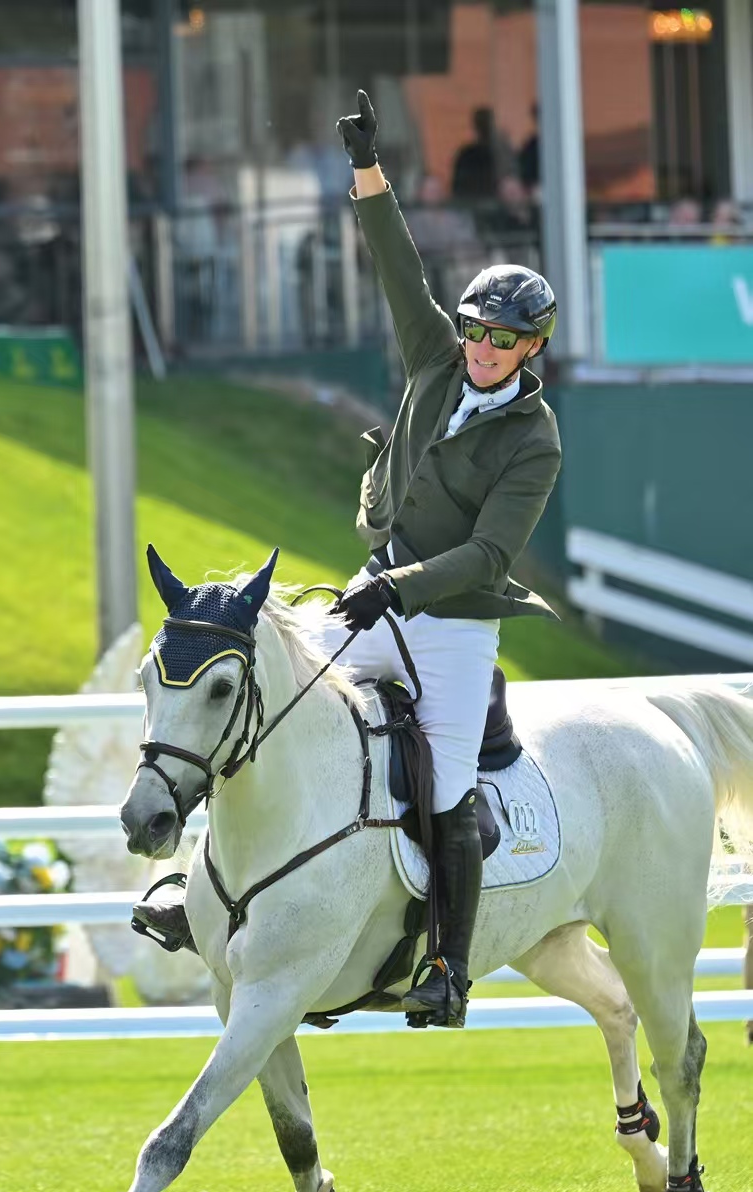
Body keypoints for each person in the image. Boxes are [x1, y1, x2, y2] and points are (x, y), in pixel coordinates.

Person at [135, 90, 562, 1029]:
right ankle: (195, 895)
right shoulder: (435, 360)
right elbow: (396, 264)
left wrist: (395, 590)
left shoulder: (535, 440)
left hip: (452, 627)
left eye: (503, 340)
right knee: (264, 706)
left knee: (446, 784)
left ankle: (447, 966)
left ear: (531, 347)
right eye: (476, 330)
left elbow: (489, 551)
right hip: (374, 597)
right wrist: (367, 168)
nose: (484, 348)